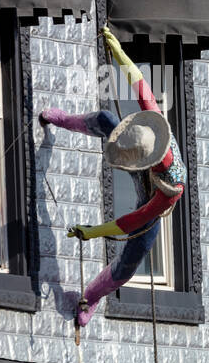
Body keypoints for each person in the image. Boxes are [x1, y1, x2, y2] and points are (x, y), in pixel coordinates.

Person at [39, 26, 186, 327]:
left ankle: (90, 297)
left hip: (149, 203)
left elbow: (129, 222)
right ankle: (64, 120)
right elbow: (140, 84)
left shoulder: (169, 190)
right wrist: (118, 50)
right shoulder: (153, 127)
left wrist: (90, 232)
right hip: (143, 163)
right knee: (106, 119)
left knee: (130, 262)